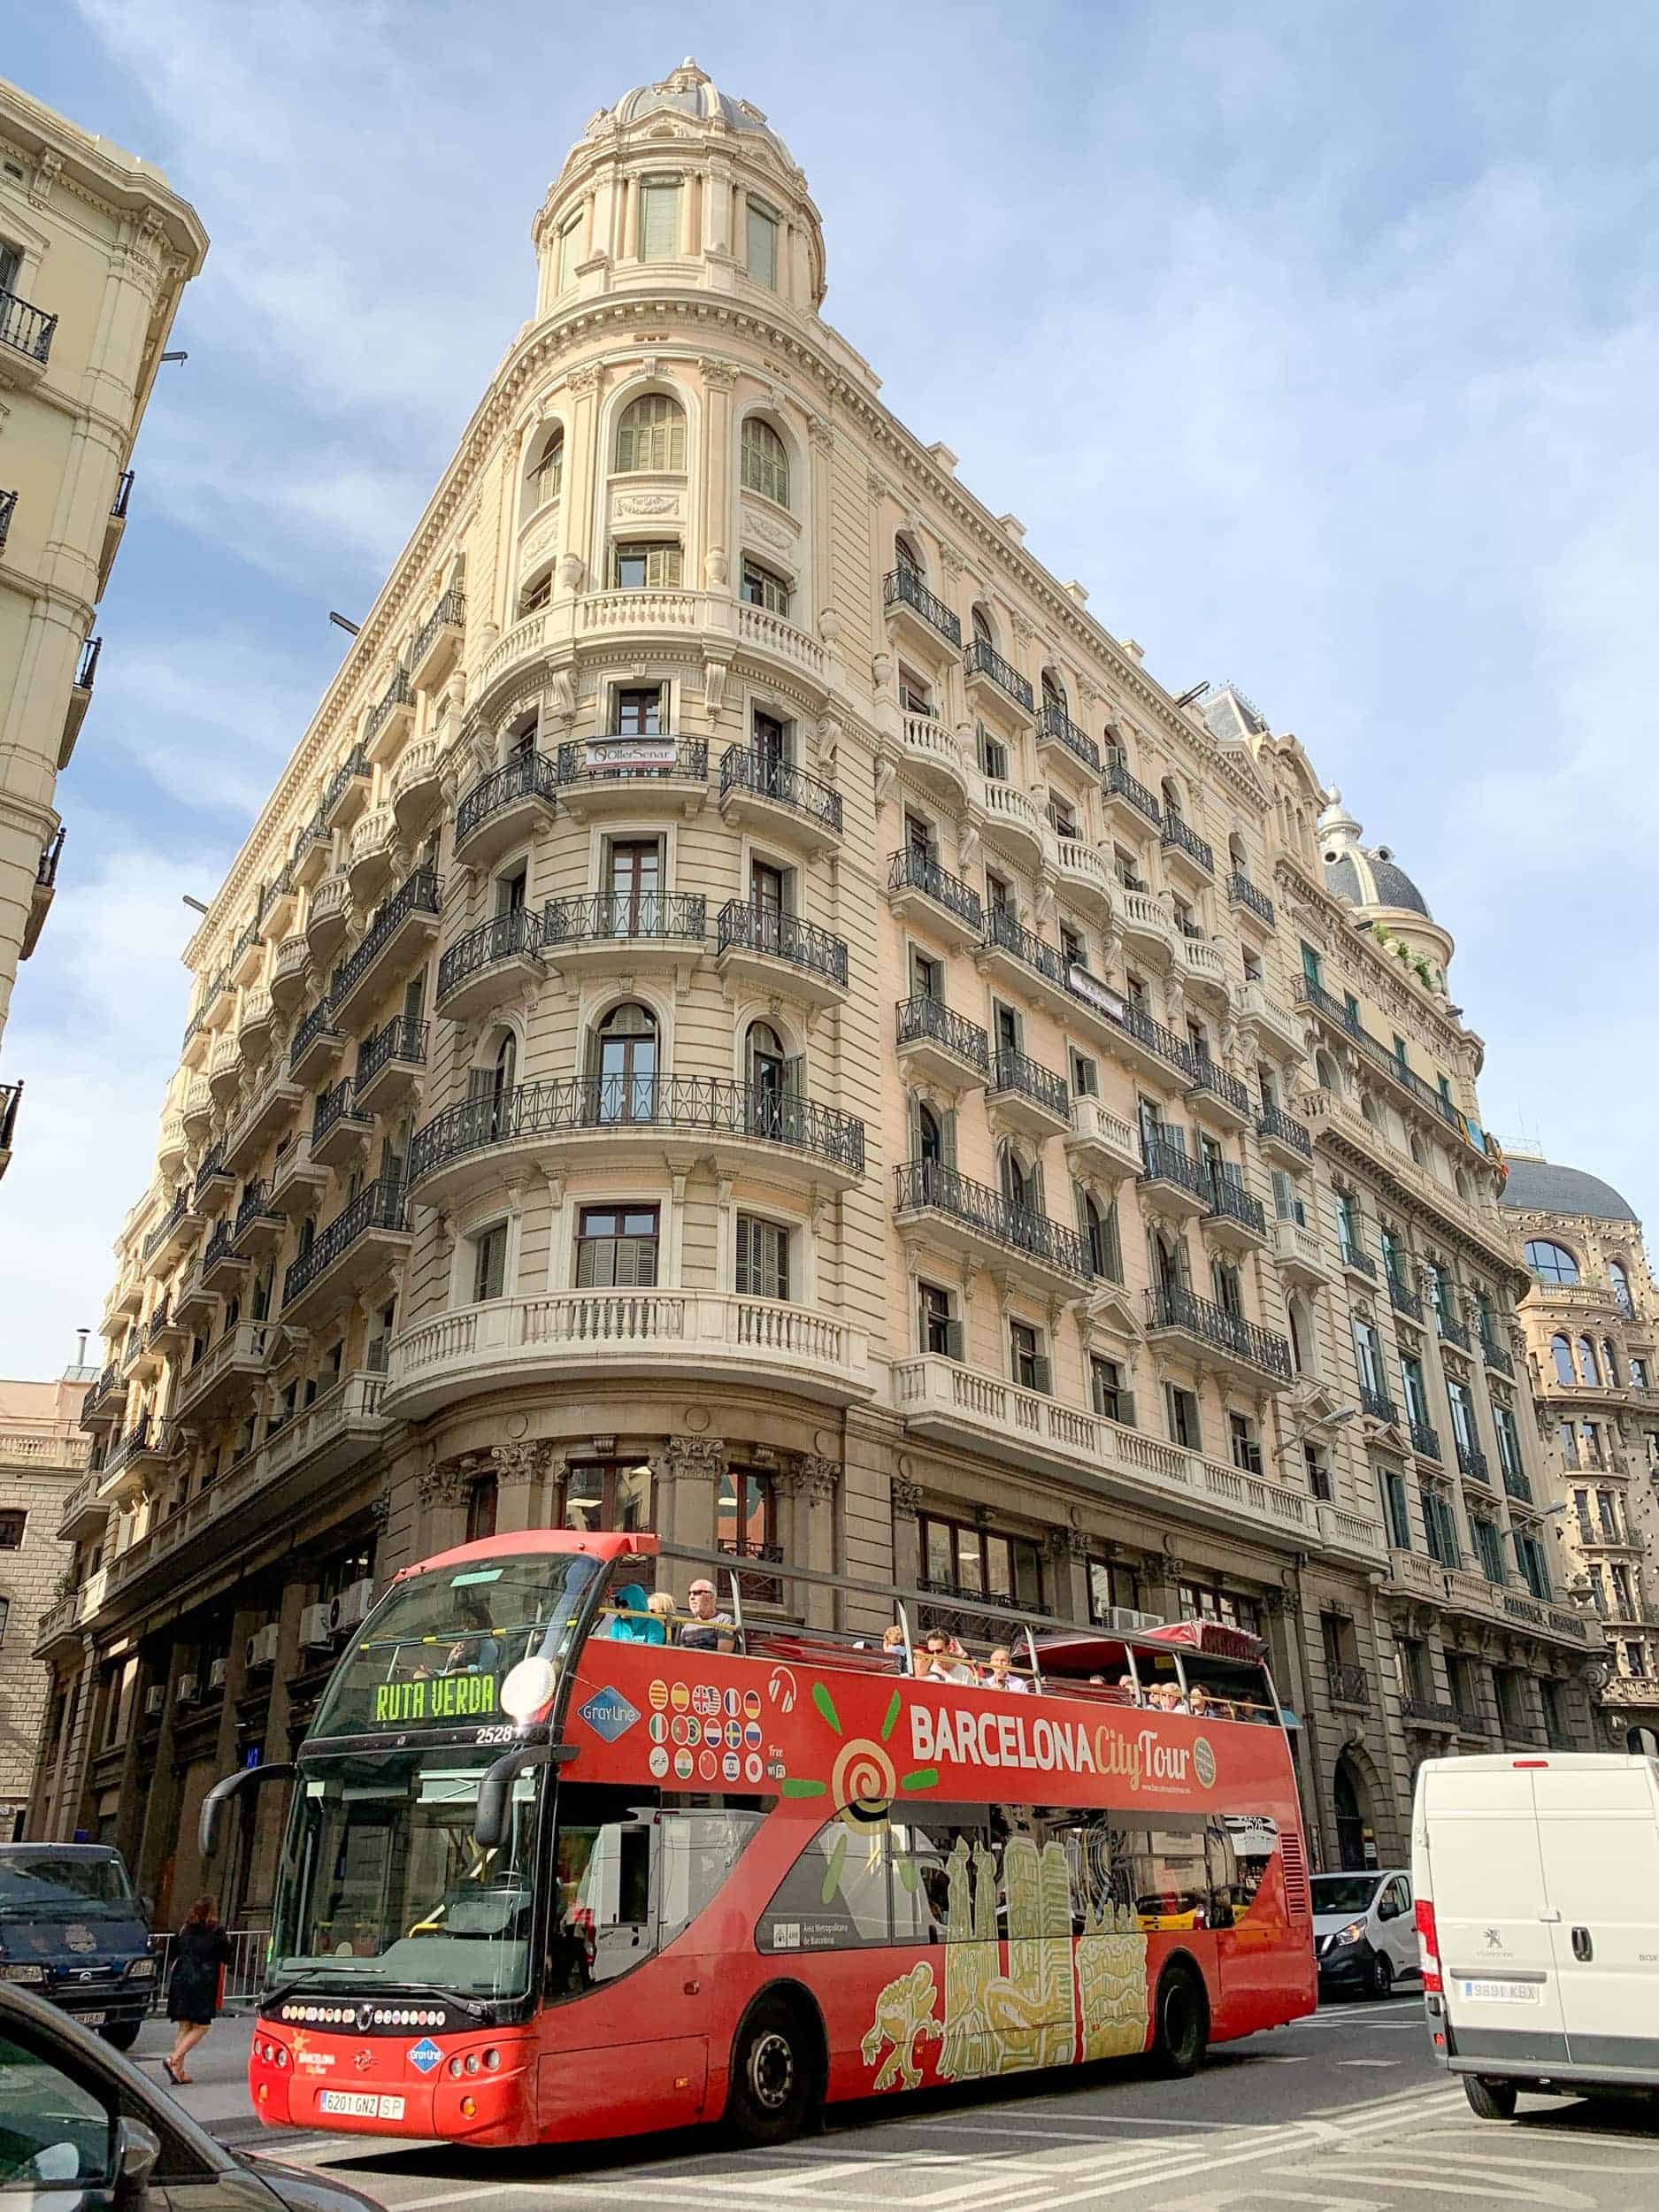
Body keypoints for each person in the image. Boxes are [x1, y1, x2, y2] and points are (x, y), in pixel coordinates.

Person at [163, 1895, 232, 2084]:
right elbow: (227, 1956)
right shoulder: (216, 1931)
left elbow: (173, 1952)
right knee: (201, 2026)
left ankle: (178, 2073)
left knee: (184, 2026)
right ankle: (173, 2059)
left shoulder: (185, 1929)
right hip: (202, 1982)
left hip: (181, 1980)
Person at [677, 1578, 735, 1653]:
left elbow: (723, 1654)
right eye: (689, 1594)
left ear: (711, 1597)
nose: (691, 1597)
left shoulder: (724, 1620)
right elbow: (680, 1651)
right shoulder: (688, 1625)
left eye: (697, 1593)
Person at [595, 1582, 664, 1644]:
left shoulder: (654, 1625)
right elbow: (613, 1646)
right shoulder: (618, 1622)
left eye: (623, 1604)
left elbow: (653, 1652)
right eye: (617, 1603)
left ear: (635, 1603)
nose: (620, 1608)